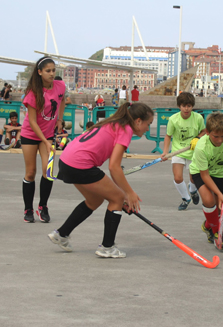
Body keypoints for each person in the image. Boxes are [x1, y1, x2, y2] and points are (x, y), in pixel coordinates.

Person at [47, 102, 154, 258]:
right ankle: (107, 247)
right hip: (80, 163)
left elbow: (113, 167)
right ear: (138, 121)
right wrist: (128, 193)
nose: (148, 128)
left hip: (66, 160)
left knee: (94, 200)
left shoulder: (114, 123)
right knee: (117, 198)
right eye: (148, 124)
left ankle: (61, 234)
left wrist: (124, 194)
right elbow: (114, 168)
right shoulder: (126, 130)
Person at [20, 56, 66, 223]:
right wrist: (46, 142)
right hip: (30, 134)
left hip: (47, 135)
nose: (52, 74)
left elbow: (62, 101)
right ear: (39, 72)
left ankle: (43, 206)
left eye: (54, 70)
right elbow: (32, 121)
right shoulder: (33, 92)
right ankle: (28, 208)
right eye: (48, 71)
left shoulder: (60, 85)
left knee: (48, 171)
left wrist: (60, 119)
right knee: (30, 172)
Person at [190, 112, 223, 250]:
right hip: (200, 172)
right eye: (216, 136)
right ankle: (218, 234)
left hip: (220, 172)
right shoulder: (201, 147)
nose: (220, 140)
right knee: (209, 201)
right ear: (207, 132)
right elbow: (205, 175)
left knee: (220, 210)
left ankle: (208, 226)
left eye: (222, 136)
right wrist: (219, 194)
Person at [161, 92, 206, 211]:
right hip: (178, 151)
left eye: (189, 106)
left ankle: (193, 190)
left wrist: (198, 138)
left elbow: (204, 131)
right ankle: (186, 198)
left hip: (194, 152)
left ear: (192, 106)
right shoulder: (173, 119)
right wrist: (165, 152)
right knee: (178, 177)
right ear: (179, 106)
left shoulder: (198, 118)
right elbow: (168, 136)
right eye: (183, 106)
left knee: (193, 179)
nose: (186, 109)